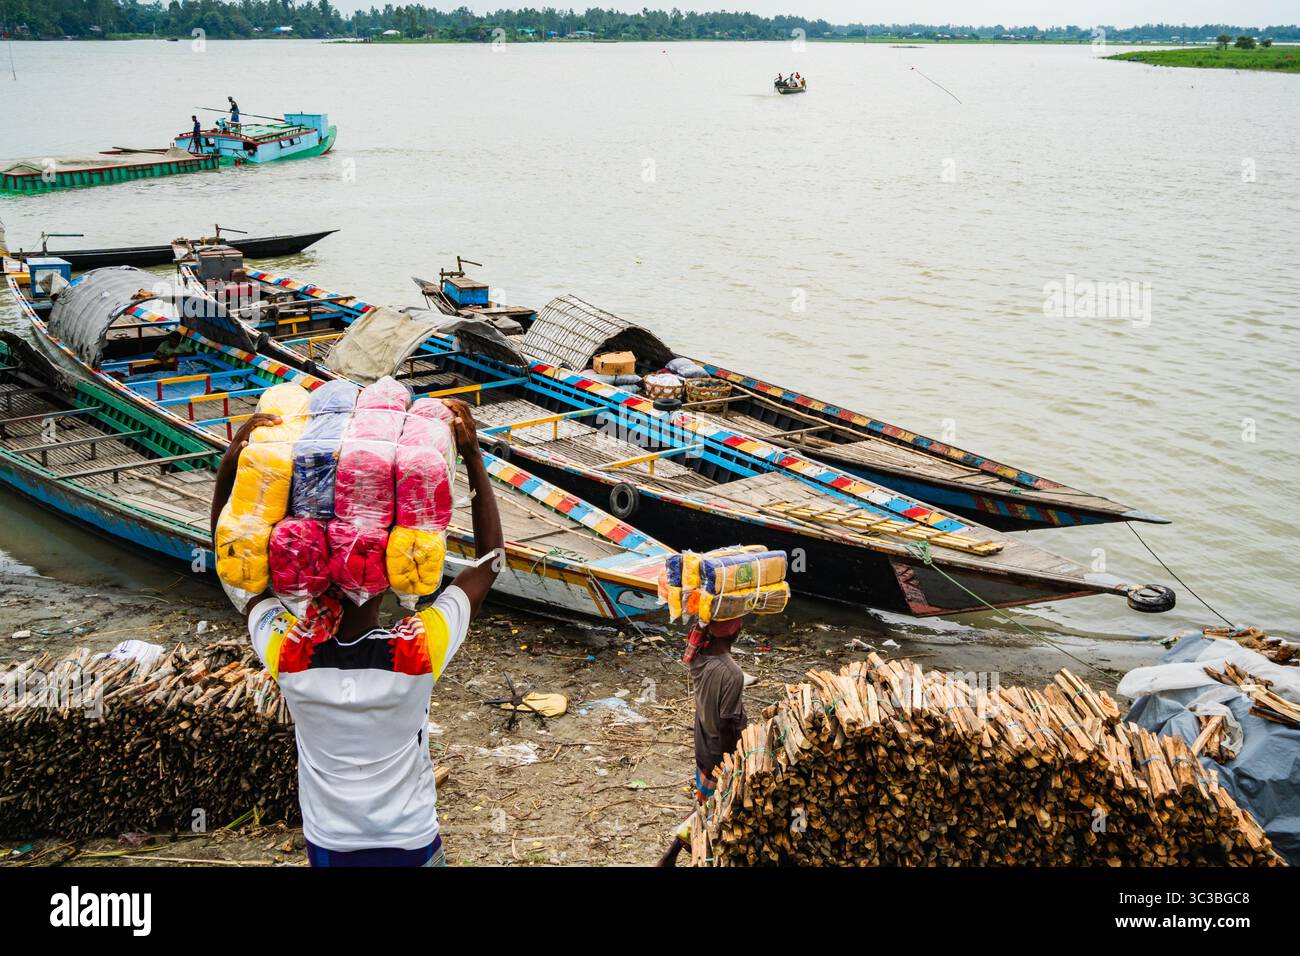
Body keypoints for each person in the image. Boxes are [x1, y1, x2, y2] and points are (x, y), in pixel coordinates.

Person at [210, 398, 502, 867]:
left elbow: (236, 572)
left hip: (330, 847)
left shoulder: (290, 654)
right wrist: (472, 457)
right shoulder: (417, 650)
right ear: (386, 575)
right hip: (410, 842)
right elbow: (490, 565)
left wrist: (232, 466)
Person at [655, 615, 749, 866]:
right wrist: (730, 762)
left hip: (703, 742)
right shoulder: (732, 674)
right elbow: (727, 723)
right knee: (708, 809)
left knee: (703, 802)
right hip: (720, 752)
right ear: (734, 633)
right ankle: (673, 855)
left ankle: (673, 856)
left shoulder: (699, 660)